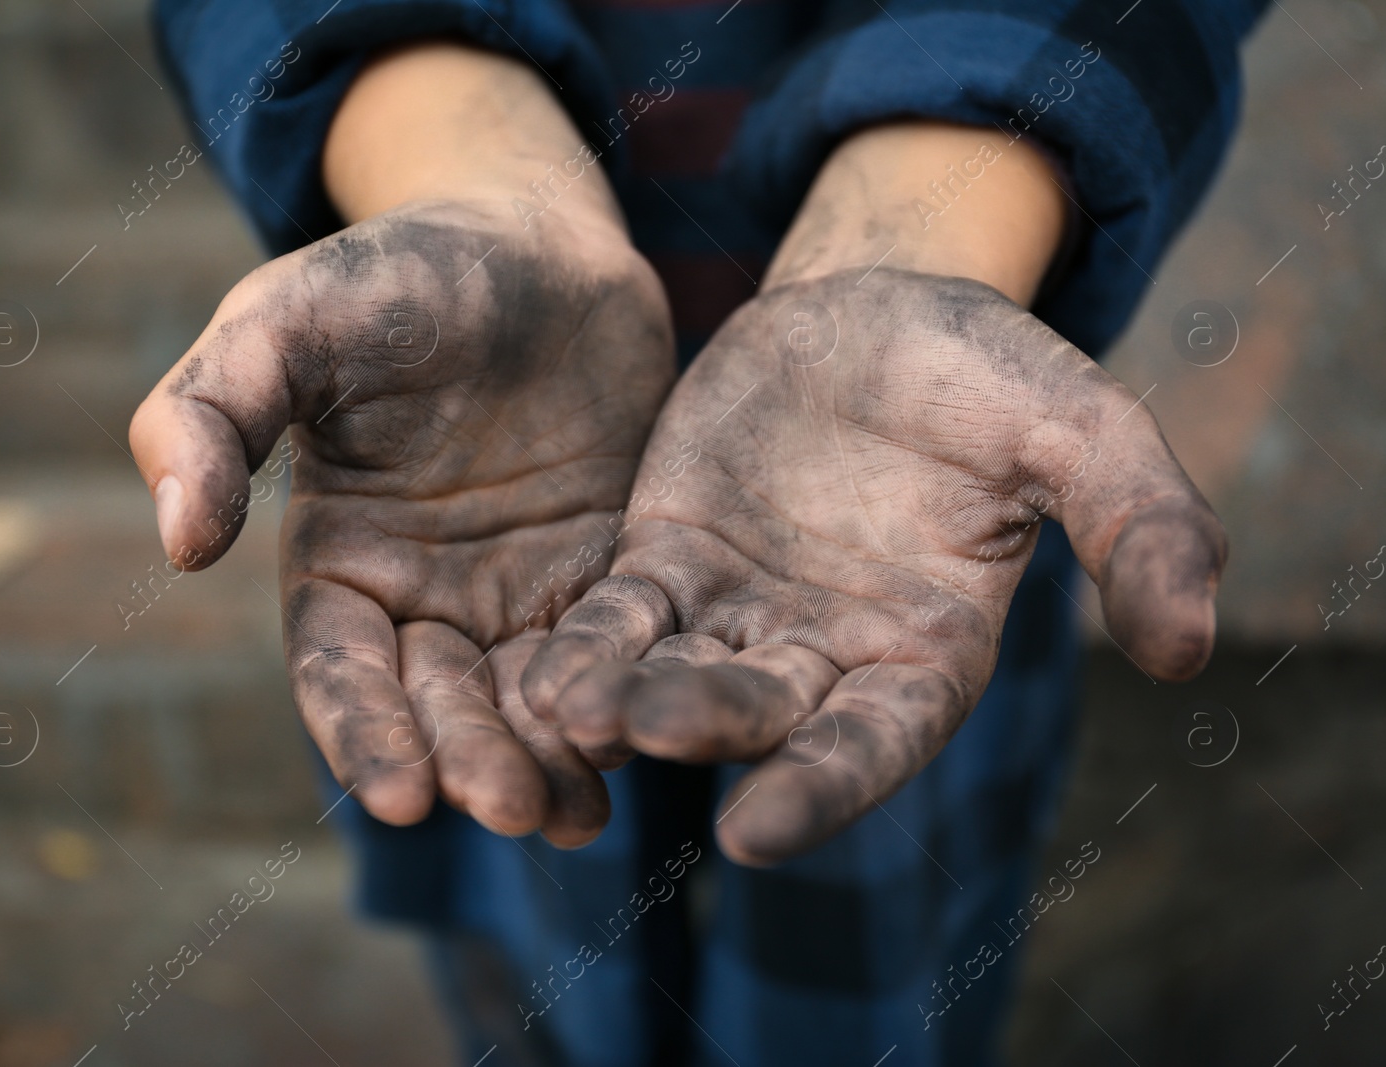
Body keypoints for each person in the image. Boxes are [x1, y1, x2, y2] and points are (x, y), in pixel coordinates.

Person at [131, 0, 1263, 1062]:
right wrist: (454, 158)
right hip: (465, 483)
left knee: (875, 947)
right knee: (530, 895)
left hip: (912, 499)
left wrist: (936, 222)